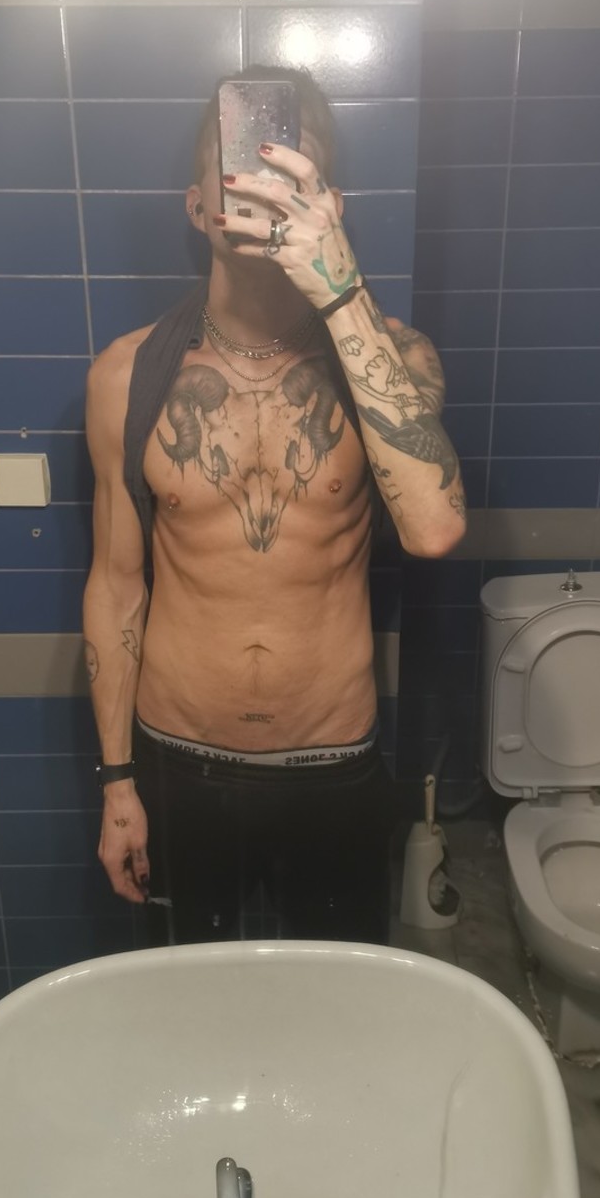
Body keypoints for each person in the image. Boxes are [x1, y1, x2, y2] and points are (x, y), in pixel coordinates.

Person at [82, 66, 466, 946]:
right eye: (238, 169)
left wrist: (339, 285)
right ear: (198, 207)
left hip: (332, 757)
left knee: (332, 1002)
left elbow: (434, 527)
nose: (260, 189)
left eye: (288, 170)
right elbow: (115, 587)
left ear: (328, 203)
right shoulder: (127, 375)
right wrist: (116, 782)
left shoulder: (394, 358)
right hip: (177, 758)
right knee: (190, 995)